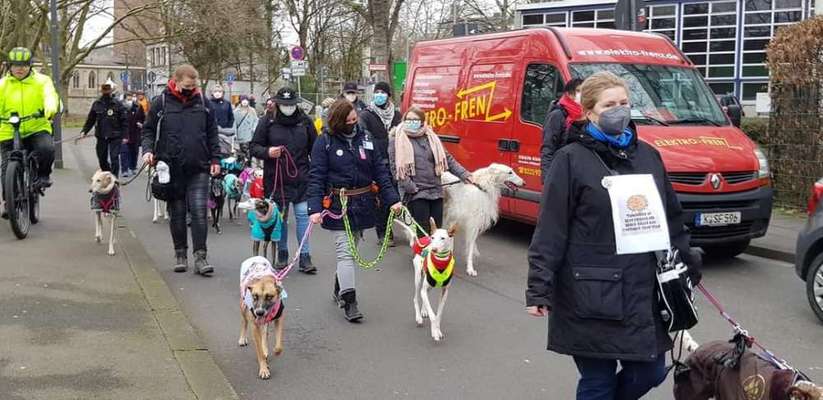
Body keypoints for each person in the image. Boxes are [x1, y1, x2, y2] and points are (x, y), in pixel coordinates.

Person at [525, 72, 701, 400]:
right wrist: (539, 288)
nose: (619, 110)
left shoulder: (648, 156)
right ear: (589, 112)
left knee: (650, 371)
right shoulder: (570, 160)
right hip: (589, 290)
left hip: (643, 290)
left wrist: (688, 264)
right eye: (609, 105)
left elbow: (672, 219)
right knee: (597, 382)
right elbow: (551, 229)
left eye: (624, 103)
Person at [306, 99, 401, 322]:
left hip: (364, 203)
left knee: (353, 246)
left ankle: (340, 285)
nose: (352, 124)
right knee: (345, 252)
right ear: (338, 121)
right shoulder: (325, 142)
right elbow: (316, 176)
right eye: (348, 121)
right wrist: (314, 207)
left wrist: (392, 199)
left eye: (354, 120)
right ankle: (350, 301)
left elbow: (381, 170)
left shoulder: (366, 138)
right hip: (340, 204)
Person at [141, 64, 221, 276]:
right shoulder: (161, 103)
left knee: (198, 211)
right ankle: (180, 255)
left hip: (199, 166)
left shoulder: (204, 103)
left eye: (193, 86)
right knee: (176, 213)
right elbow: (148, 131)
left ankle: (201, 257)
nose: (191, 90)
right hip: (170, 166)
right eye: (187, 86)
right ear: (175, 81)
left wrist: (216, 159)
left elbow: (213, 133)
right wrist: (148, 151)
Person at [251, 87, 317, 274]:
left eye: (291, 105)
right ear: (277, 104)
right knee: (280, 218)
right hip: (276, 179)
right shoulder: (267, 121)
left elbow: (316, 148)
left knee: (303, 214)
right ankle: (282, 252)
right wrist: (268, 152)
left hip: (301, 176)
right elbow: (254, 147)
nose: (288, 108)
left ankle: (305, 256)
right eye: (284, 105)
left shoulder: (305, 122)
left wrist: (317, 173)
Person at [389, 106, 472, 236]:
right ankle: (422, 255)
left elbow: (447, 159)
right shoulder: (396, 139)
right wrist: (411, 187)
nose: (411, 122)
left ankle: (433, 256)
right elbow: (396, 169)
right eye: (408, 119)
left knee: (437, 230)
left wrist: (464, 174)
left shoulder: (431, 137)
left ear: (422, 121)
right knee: (422, 229)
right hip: (416, 192)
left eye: (415, 119)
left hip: (436, 189)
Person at [0, 47, 59, 215]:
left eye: (24, 65)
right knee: (6, 168)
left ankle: (43, 175)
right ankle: (8, 202)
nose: (20, 68)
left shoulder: (42, 81)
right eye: (16, 65)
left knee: (46, 149)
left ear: (30, 66)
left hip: (36, 127)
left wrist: (49, 109)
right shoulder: (2, 84)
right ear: (10, 66)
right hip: (8, 130)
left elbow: (50, 96)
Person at [359, 81, 402, 244]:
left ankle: (391, 226)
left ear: (388, 96)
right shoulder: (366, 114)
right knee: (381, 198)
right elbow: (364, 136)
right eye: (377, 92)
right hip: (377, 162)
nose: (379, 95)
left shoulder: (397, 115)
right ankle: (383, 232)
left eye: (382, 93)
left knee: (394, 196)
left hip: (395, 162)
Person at [81, 78, 128, 177]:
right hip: (101, 135)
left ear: (111, 92)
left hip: (115, 135)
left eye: (108, 92)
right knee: (102, 158)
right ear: (102, 92)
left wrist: (125, 136)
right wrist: (84, 131)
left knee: (114, 157)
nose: (106, 93)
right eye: (104, 92)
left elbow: (124, 121)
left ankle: (114, 178)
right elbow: (91, 119)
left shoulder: (117, 104)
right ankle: (108, 172)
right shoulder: (97, 104)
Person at [541, 78, 583, 182]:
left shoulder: (587, 114)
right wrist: (548, 180)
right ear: (569, 94)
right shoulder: (557, 115)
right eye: (579, 91)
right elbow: (548, 148)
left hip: (577, 171)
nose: (582, 94)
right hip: (560, 171)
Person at [121, 93, 145, 177]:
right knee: (124, 151)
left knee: (134, 151)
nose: (130, 99)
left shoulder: (138, 107)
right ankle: (125, 169)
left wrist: (141, 123)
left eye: (131, 97)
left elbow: (143, 118)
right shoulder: (121, 107)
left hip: (135, 132)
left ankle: (133, 167)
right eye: (128, 97)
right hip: (124, 133)